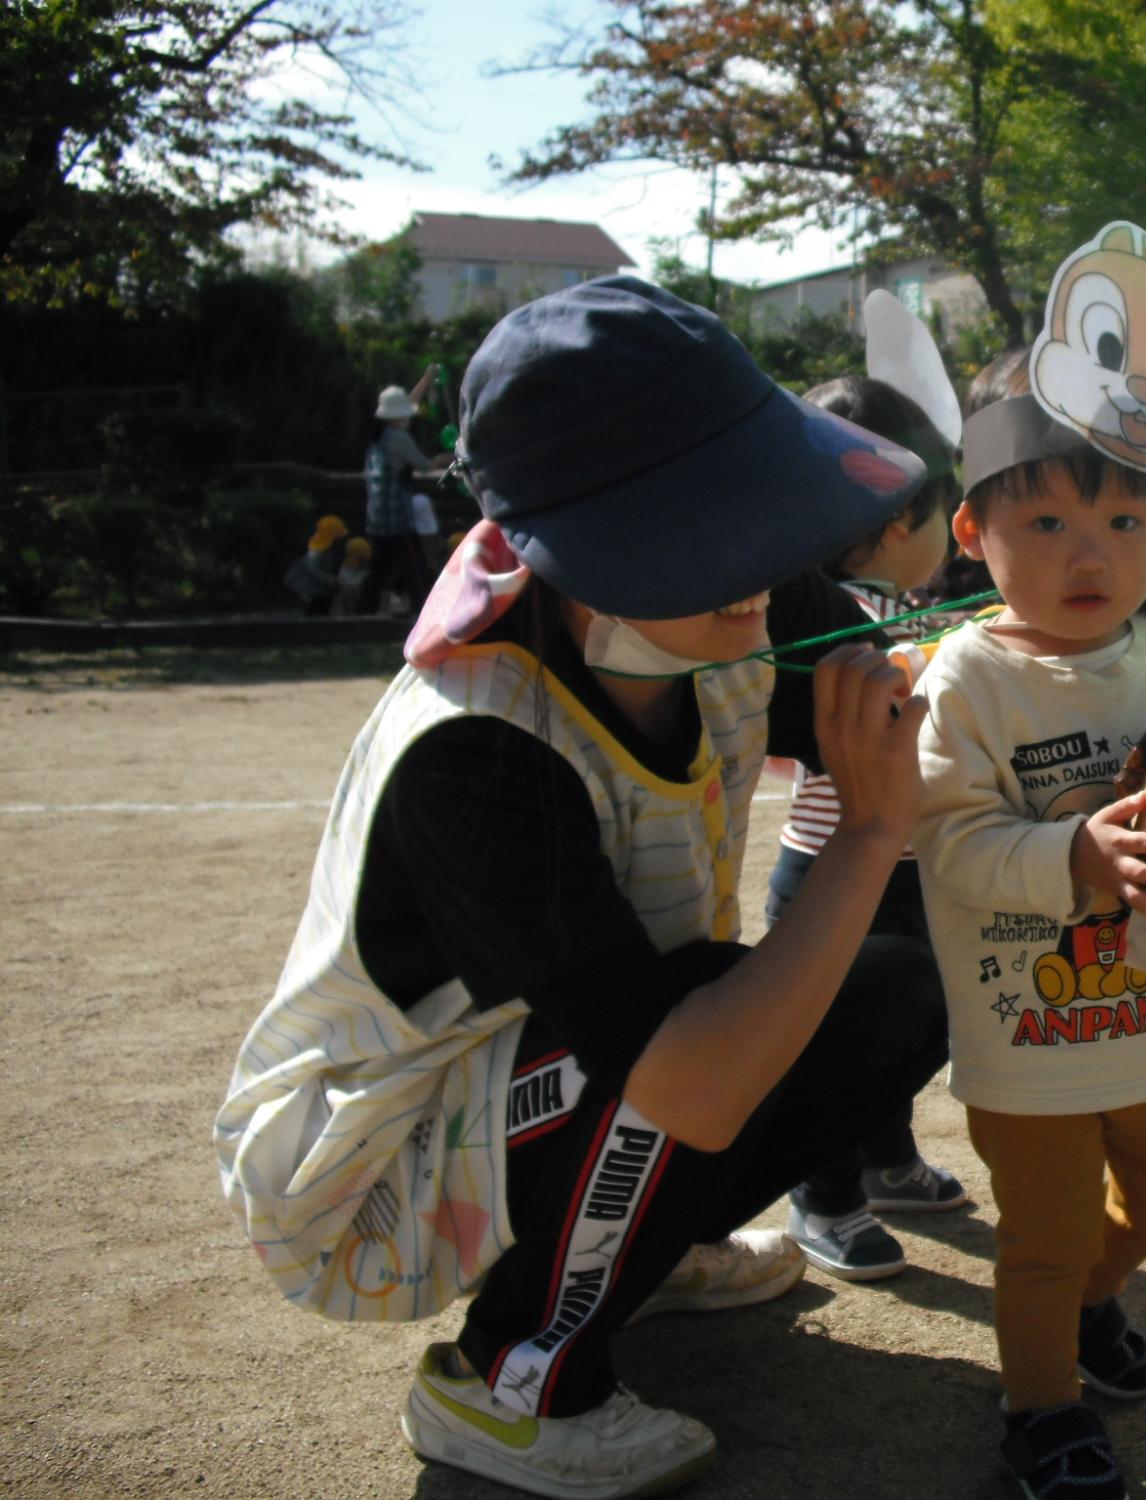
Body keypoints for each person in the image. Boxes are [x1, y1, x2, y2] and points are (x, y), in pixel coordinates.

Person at [215, 277, 950, 1500]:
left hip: (571, 1076)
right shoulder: (476, 745)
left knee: (885, 1000)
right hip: (378, 1172)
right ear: (584, 545)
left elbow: (893, 694)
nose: (766, 551)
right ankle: (508, 1380)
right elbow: (685, 1075)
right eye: (706, 514)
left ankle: (629, 1262)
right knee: (704, 1023)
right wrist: (869, 837)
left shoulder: (724, 607)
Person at [913, 346, 1146, 1500]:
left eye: (1119, 518)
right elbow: (947, 846)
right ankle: (1039, 1404)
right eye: (1044, 523)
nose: (1089, 550)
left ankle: (1088, 1301)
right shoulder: (964, 682)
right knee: (1042, 1237)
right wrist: (1074, 853)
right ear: (973, 535)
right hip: (1030, 1033)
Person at [766, 375, 970, 1282]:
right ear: (895, 520)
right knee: (827, 1044)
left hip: (911, 865)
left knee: (907, 1025)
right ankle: (825, 1193)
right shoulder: (822, 615)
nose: (959, 532)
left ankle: (889, 1162)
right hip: (832, 872)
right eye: (946, 511)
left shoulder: (916, 613)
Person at [359, 382, 449, 618]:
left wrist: (427, 378)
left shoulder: (377, 437)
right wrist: (442, 459)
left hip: (376, 512)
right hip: (396, 512)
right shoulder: (398, 438)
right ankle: (422, 608)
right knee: (412, 561)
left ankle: (364, 609)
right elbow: (424, 465)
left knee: (378, 566)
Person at [283, 514, 347, 616]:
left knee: (323, 601)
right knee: (316, 603)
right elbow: (312, 568)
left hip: (317, 584)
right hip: (306, 583)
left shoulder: (328, 548)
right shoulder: (317, 549)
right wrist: (328, 578)